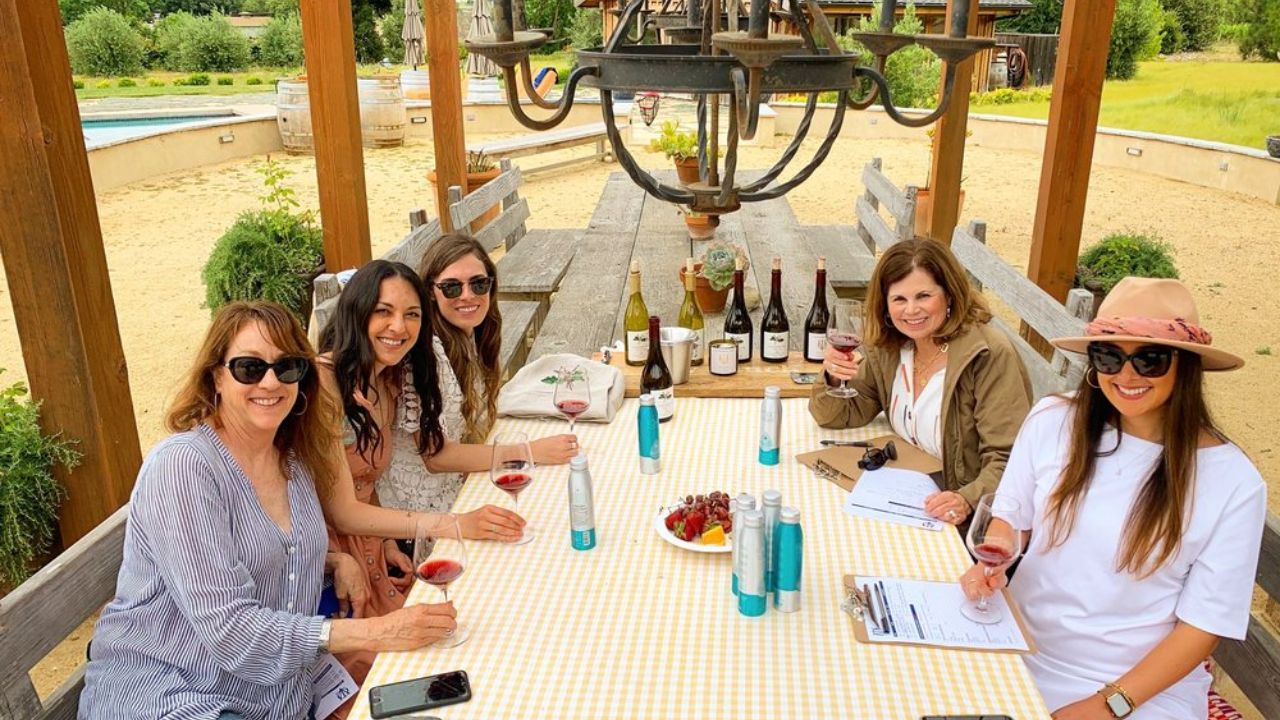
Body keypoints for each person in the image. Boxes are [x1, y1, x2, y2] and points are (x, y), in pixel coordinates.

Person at [79, 302, 457, 720]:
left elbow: (262, 544)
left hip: (278, 700)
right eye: (249, 368)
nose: (271, 381)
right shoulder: (184, 467)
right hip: (175, 693)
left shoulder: (291, 459)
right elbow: (230, 630)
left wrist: (334, 560)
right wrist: (376, 631)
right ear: (216, 376)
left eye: (287, 367)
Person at [961, 278, 1266, 719]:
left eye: (1150, 359)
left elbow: (1203, 627)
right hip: (1016, 646)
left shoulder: (1233, 482)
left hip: (1140, 688)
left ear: (1185, 367)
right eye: (1109, 356)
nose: (1126, 374)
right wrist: (995, 558)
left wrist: (1107, 705)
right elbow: (1011, 517)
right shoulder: (1052, 420)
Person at [314, 260, 525, 696]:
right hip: (328, 561)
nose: (399, 326)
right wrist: (454, 524)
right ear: (356, 312)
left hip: (371, 548)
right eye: (384, 311)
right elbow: (341, 510)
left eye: (411, 314)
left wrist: (388, 542)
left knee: (457, 637)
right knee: (384, 676)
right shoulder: (324, 384)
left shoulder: (388, 382)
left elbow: (364, 482)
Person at [809, 237, 1032, 524]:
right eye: (899, 299)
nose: (911, 310)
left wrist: (967, 499)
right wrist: (832, 377)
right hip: (906, 488)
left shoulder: (987, 355)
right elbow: (837, 415)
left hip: (965, 512)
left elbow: (1010, 457)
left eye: (924, 296)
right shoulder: (890, 346)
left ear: (949, 295)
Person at [376, 234, 576, 515]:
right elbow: (437, 457)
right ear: (430, 292)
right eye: (451, 287)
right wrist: (530, 451)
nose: (468, 295)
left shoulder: (472, 335)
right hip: (423, 513)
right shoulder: (426, 351)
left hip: (461, 486)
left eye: (478, 283)